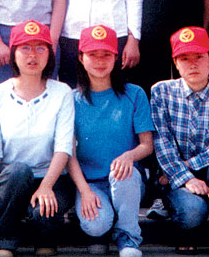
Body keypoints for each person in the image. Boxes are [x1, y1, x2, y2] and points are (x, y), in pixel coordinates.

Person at [0, 20, 75, 257]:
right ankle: (5, 242)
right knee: (18, 171)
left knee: (43, 212)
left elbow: (64, 147)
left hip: (52, 177)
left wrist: (46, 186)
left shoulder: (62, 92)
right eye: (25, 48)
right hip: (13, 180)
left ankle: (45, 242)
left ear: (50, 54)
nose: (33, 55)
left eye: (40, 48)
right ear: (13, 54)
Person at [150, 27, 209, 257]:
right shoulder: (161, 92)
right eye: (184, 58)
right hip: (176, 176)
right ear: (175, 63)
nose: (192, 64)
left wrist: (190, 165)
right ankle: (185, 230)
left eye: (199, 57)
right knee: (192, 212)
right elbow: (162, 142)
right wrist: (186, 177)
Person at [68, 25, 153, 257]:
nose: (99, 61)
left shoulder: (134, 94)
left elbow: (147, 144)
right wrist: (84, 191)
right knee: (96, 225)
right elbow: (68, 154)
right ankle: (104, 224)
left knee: (123, 174)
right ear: (81, 58)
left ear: (116, 57)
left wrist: (129, 155)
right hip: (91, 182)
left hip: (126, 179)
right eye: (92, 54)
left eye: (106, 54)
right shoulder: (71, 100)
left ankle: (128, 238)